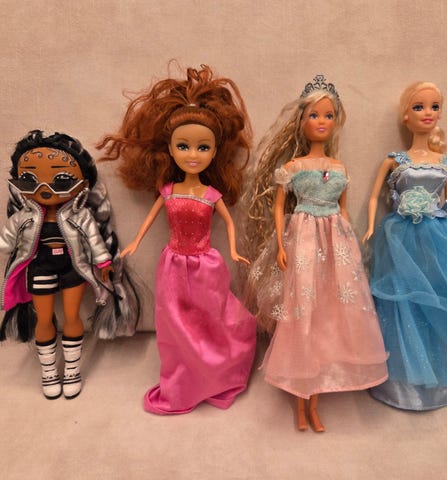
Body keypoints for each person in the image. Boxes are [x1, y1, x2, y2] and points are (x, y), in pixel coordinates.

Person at [98, 65, 257, 415]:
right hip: (172, 263)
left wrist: (233, 250)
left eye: (203, 147)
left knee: (209, 320)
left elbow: (229, 224)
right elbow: (149, 220)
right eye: (183, 146)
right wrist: (134, 243)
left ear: (214, 152)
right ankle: (183, 376)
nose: (193, 155)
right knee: (174, 324)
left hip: (206, 265)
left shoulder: (212, 194)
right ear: (170, 149)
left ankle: (213, 371)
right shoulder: (167, 191)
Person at [245, 75, 388, 432]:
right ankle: (300, 401)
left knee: (328, 314)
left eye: (328, 115)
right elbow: (279, 207)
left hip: (336, 242)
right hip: (304, 238)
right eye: (314, 115)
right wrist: (281, 245)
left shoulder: (340, 168)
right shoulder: (292, 168)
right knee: (302, 310)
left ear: (335, 121)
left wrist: (350, 246)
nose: (321, 121)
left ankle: (316, 399)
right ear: (302, 121)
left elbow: (343, 209)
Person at [363, 81, 447, 410]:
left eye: (434, 107)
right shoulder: (395, 160)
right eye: (419, 107)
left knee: (441, 296)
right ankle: (408, 383)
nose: (427, 113)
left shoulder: (446, 161)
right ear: (405, 115)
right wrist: (370, 227)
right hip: (401, 236)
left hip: (439, 235)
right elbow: (373, 198)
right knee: (407, 300)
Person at [0, 130, 139, 399]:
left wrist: (103, 262)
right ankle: (49, 371)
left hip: (74, 268)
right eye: (29, 179)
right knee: (43, 317)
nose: (44, 188)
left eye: (61, 180)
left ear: (83, 183)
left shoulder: (81, 215)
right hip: (40, 268)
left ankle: (72, 369)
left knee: (72, 316)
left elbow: (95, 240)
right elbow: (5, 241)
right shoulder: (23, 217)